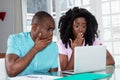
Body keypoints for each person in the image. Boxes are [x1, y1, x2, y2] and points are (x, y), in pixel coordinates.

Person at [5, 11, 58, 77]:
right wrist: (35, 49)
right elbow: (11, 71)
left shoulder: (54, 47)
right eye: (48, 29)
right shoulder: (15, 39)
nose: (51, 34)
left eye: (52, 30)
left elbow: (53, 76)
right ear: (34, 27)